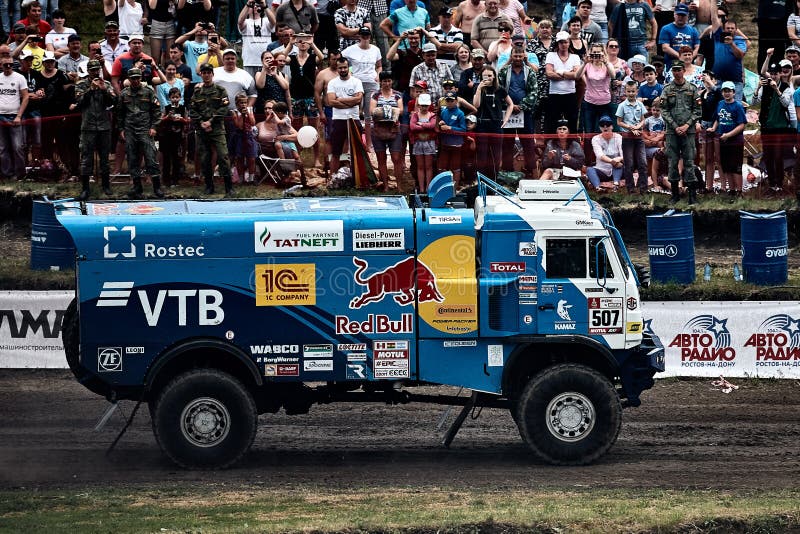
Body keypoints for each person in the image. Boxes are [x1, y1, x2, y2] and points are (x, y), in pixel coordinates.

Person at [117, 67, 164, 198]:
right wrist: (121, 129)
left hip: (145, 129)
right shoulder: (124, 94)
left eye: (138, 78)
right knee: (132, 158)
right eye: (133, 79)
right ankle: (137, 188)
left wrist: (154, 126)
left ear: (141, 78)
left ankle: (157, 187)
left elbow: (156, 110)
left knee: (150, 157)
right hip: (130, 129)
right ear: (129, 79)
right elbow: (119, 113)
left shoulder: (148, 92)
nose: (135, 81)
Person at [190, 62, 234, 196]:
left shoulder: (220, 90)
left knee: (223, 156)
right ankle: (209, 186)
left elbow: (224, 108)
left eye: (209, 72)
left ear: (212, 74)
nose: (207, 75)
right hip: (203, 130)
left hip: (217, 129)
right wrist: (202, 122)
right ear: (201, 75)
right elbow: (192, 110)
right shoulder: (197, 92)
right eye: (204, 73)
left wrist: (210, 121)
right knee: (205, 158)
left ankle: (229, 187)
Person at [74, 59, 116, 200]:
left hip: (104, 126)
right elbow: (79, 104)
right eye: (92, 69)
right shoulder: (81, 85)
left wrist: (104, 91)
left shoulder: (107, 84)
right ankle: (85, 188)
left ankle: (106, 185)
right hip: (88, 126)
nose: (95, 72)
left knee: (104, 157)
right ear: (88, 70)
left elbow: (113, 102)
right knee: (86, 157)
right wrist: (90, 90)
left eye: (97, 69)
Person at [661, 59, 701, 203]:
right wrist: (674, 126)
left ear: (684, 71)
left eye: (679, 69)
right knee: (672, 161)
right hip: (672, 132)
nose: (677, 73)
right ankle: (675, 194)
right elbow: (663, 110)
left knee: (689, 161)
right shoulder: (667, 89)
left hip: (688, 131)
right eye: (674, 70)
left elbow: (697, 110)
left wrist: (686, 125)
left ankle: (692, 195)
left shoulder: (692, 89)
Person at [756, 59, 795, 196]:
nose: (773, 76)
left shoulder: (786, 87)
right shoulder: (765, 86)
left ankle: (779, 183)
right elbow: (754, 102)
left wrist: (777, 90)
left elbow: (785, 103)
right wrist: (758, 88)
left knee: (778, 156)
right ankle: (772, 184)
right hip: (767, 127)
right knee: (768, 156)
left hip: (780, 128)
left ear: (780, 74)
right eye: (771, 73)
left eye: (775, 73)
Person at [498, 47, 537, 176]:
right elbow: (499, 90)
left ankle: (530, 170)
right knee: (507, 142)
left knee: (528, 142)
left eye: (520, 56)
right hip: (507, 112)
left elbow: (533, 92)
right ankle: (507, 171)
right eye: (516, 56)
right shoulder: (504, 71)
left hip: (524, 112)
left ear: (524, 56)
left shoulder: (530, 72)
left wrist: (521, 106)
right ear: (511, 56)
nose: (518, 58)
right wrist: (510, 106)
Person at [472, 65, 513, 178]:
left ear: (494, 76)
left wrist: (506, 119)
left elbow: (510, 104)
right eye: (485, 76)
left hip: (496, 124)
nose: (487, 78)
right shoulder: (478, 87)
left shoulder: (500, 89)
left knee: (496, 156)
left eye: (490, 75)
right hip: (482, 124)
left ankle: (494, 181)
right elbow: (476, 105)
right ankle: (481, 181)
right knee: (482, 155)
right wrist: (479, 89)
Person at [343, 26, 382, 143]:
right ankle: (356, 141)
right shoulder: (350, 50)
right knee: (355, 112)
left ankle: (369, 143)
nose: (365, 38)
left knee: (370, 114)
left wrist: (378, 75)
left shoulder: (375, 49)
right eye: (363, 35)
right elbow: (341, 61)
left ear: (370, 36)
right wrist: (349, 72)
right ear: (359, 36)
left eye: (367, 35)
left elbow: (379, 65)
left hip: (371, 82)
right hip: (357, 82)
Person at [326, 57, 364, 175]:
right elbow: (331, 102)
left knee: (357, 151)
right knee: (336, 152)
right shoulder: (332, 83)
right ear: (337, 69)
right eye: (340, 68)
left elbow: (358, 100)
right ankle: (333, 177)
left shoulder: (356, 81)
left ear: (348, 68)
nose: (343, 70)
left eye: (345, 67)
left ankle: (357, 177)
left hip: (354, 119)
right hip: (338, 120)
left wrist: (340, 100)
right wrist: (350, 102)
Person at [710, 81, 746, 200]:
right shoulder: (720, 104)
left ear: (734, 92)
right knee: (726, 166)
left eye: (729, 91)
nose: (727, 93)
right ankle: (732, 190)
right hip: (722, 139)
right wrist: (714, 128)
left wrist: (729, 135)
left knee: (736, 166)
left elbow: (741, 125)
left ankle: (739, 191)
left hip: (735, 140)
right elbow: (717, 118)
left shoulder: (738, 106)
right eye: (725, 91)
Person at [370, 70, 404, 190]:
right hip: (378, 130)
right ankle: (385, 185)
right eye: (384, 81)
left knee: (396, 158)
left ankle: (399, 185)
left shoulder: (397, 95)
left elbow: (401, 110)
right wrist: (390, 111)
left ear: (392, 81)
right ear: (380, 82)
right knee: (381, 158)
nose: (387, 83)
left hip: (394, 129)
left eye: (389, 81)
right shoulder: (375, 95)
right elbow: (372, 111)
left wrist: (383, 111)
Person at [616, 80, 648, 193]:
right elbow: (619, 122)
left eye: (633, 91)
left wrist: (638, 127)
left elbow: (643, 120)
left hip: (639, 137)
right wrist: (631, 128)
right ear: (625, 91)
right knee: (629, 164)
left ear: (637, 91)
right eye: (629, 91)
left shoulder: (640, 104)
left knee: (643, 163)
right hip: (627, 138)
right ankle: (630, 189)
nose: (631, 93)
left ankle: (643, 189)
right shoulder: (622, 105)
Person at [545, 31, 580, 133]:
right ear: (557, 43)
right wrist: (568, 74)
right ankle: (551, 146)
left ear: (569, 42)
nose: (563, 45)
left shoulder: (575, 57)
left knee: (572, 123)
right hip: (554, 94)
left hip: (570, 94)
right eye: (561, 42)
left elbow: (576, 75)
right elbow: (549, 74)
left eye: (565, 42)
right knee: (552, 122)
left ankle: (573, 145)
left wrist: (560, 72)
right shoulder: (551, 55)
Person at [576, 41, 614, 134]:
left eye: (598, 52)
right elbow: (577, 76)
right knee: (589, 130)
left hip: (604, 102)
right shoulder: (588, 65)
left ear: (603, 53)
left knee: (604, 130)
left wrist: (605, 62)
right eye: (594, 52)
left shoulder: (607, 64)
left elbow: (613, 75)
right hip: (590, 102)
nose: (596, 55)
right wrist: (584, 63)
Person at [0, 58, 28, 180]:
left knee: (18, 147)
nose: (8, 66)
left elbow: (26, 97)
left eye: (11, 64)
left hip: (14, 116)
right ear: (1, 65)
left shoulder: (19, 78)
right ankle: (7, 174)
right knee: (2, 148)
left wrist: (19, 116)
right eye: (5, 64)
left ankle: (20, 174)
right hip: (0, 116)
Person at [159, 87, 189, 188]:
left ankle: (175, 180)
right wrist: (167, 117)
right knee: (166, 158)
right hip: (167, 136)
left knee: (177, 159)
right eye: (173, 97)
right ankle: (165, 180)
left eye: (177, 97)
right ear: (169, 98)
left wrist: (181, 119)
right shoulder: (166, 108)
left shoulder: (183, 108)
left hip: (178, 137)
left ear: (180, 97)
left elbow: (187, 121)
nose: (175, 99)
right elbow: (160, 120)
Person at [698, 69, 721, 191]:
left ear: (714, 80)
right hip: (704, 126)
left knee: (718, 157)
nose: (706, 80)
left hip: (716, 125)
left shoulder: (717, 92)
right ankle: (709, 185)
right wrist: (698, 122)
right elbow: (698, 111)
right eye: (704, 78)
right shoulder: (702, 94)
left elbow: (720, 98)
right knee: (708, 158)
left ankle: (723, 186)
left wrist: (711, 84)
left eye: (709, 78)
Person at [239, 0, 276, 78]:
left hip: (266, 61)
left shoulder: (266, 20)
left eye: (257, 5)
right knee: (250, 86)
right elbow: (240, 22)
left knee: (266, 85)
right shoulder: (246, 22)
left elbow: (274, 22)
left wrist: (265, 6)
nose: (255, 7)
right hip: (249, 61)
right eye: (253, 6)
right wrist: (248, 4)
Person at [437, 90, 466, 186]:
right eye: (447, 100)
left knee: (456, 168)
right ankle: (442, 187)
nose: (449, 103)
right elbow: (441, 125)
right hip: (445, 143)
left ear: (456, 101)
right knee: (442, 167)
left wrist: (450, 128)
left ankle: (455, 188)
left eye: (451, 100)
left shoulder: (460, 113)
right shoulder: (444, 111)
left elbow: (463, 129)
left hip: (456, 144)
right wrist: (441, 123)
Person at [409, 91, 437, 191]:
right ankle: (421, 189)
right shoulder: (415, 115)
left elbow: (432, 125)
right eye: (422, 105)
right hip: (418, 143)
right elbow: (412, 127)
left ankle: (428, 188)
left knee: (428, 166)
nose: (424, 107)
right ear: (419, 105)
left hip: (429, 143)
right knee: (420, 166)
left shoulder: (432, 115)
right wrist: (425, 126)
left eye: (426, 105)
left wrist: (420, 124)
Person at [587, 115, 623, 190]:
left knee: (619, 165)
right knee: (589, 170)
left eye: (608, 124)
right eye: (602, 125)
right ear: (600, 128)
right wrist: (612, 161)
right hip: (601, 169)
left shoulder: (619, 137)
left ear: (612, 126)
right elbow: (599, 155)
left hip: (617, 169)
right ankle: (598, 188)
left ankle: (615, 184)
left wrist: (618, 159)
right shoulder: (595, 139)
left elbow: (624, 154)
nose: (605, 126)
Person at [658, 3, 699, 69]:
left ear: (687, 16)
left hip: (689, 64)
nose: (680, 17)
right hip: (672, 63)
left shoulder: (693, 30)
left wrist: (689, 58)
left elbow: (697, 47)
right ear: (674, 14)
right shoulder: (666, 29)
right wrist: (680, 57)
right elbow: (665, 48)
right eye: (678, 15)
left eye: (683, 15)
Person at [643, 101, 668, 191]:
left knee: (662, 144)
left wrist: (658, 139)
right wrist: (650, 139)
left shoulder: (664, 120)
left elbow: (665, 133)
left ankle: (664, 176)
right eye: (653, 110)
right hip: (651, 139)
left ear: (661, 111)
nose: (655, 112)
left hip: (660, 140)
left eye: (657, 110)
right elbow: (644, 133)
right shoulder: (648, 120)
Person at [148, 0, 177, 65]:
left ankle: (167, 74)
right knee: (155, 57)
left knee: (170, 57)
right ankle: (155, 74)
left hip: (170, 23)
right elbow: (152, 6)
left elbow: (177, 4)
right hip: (157, 24)